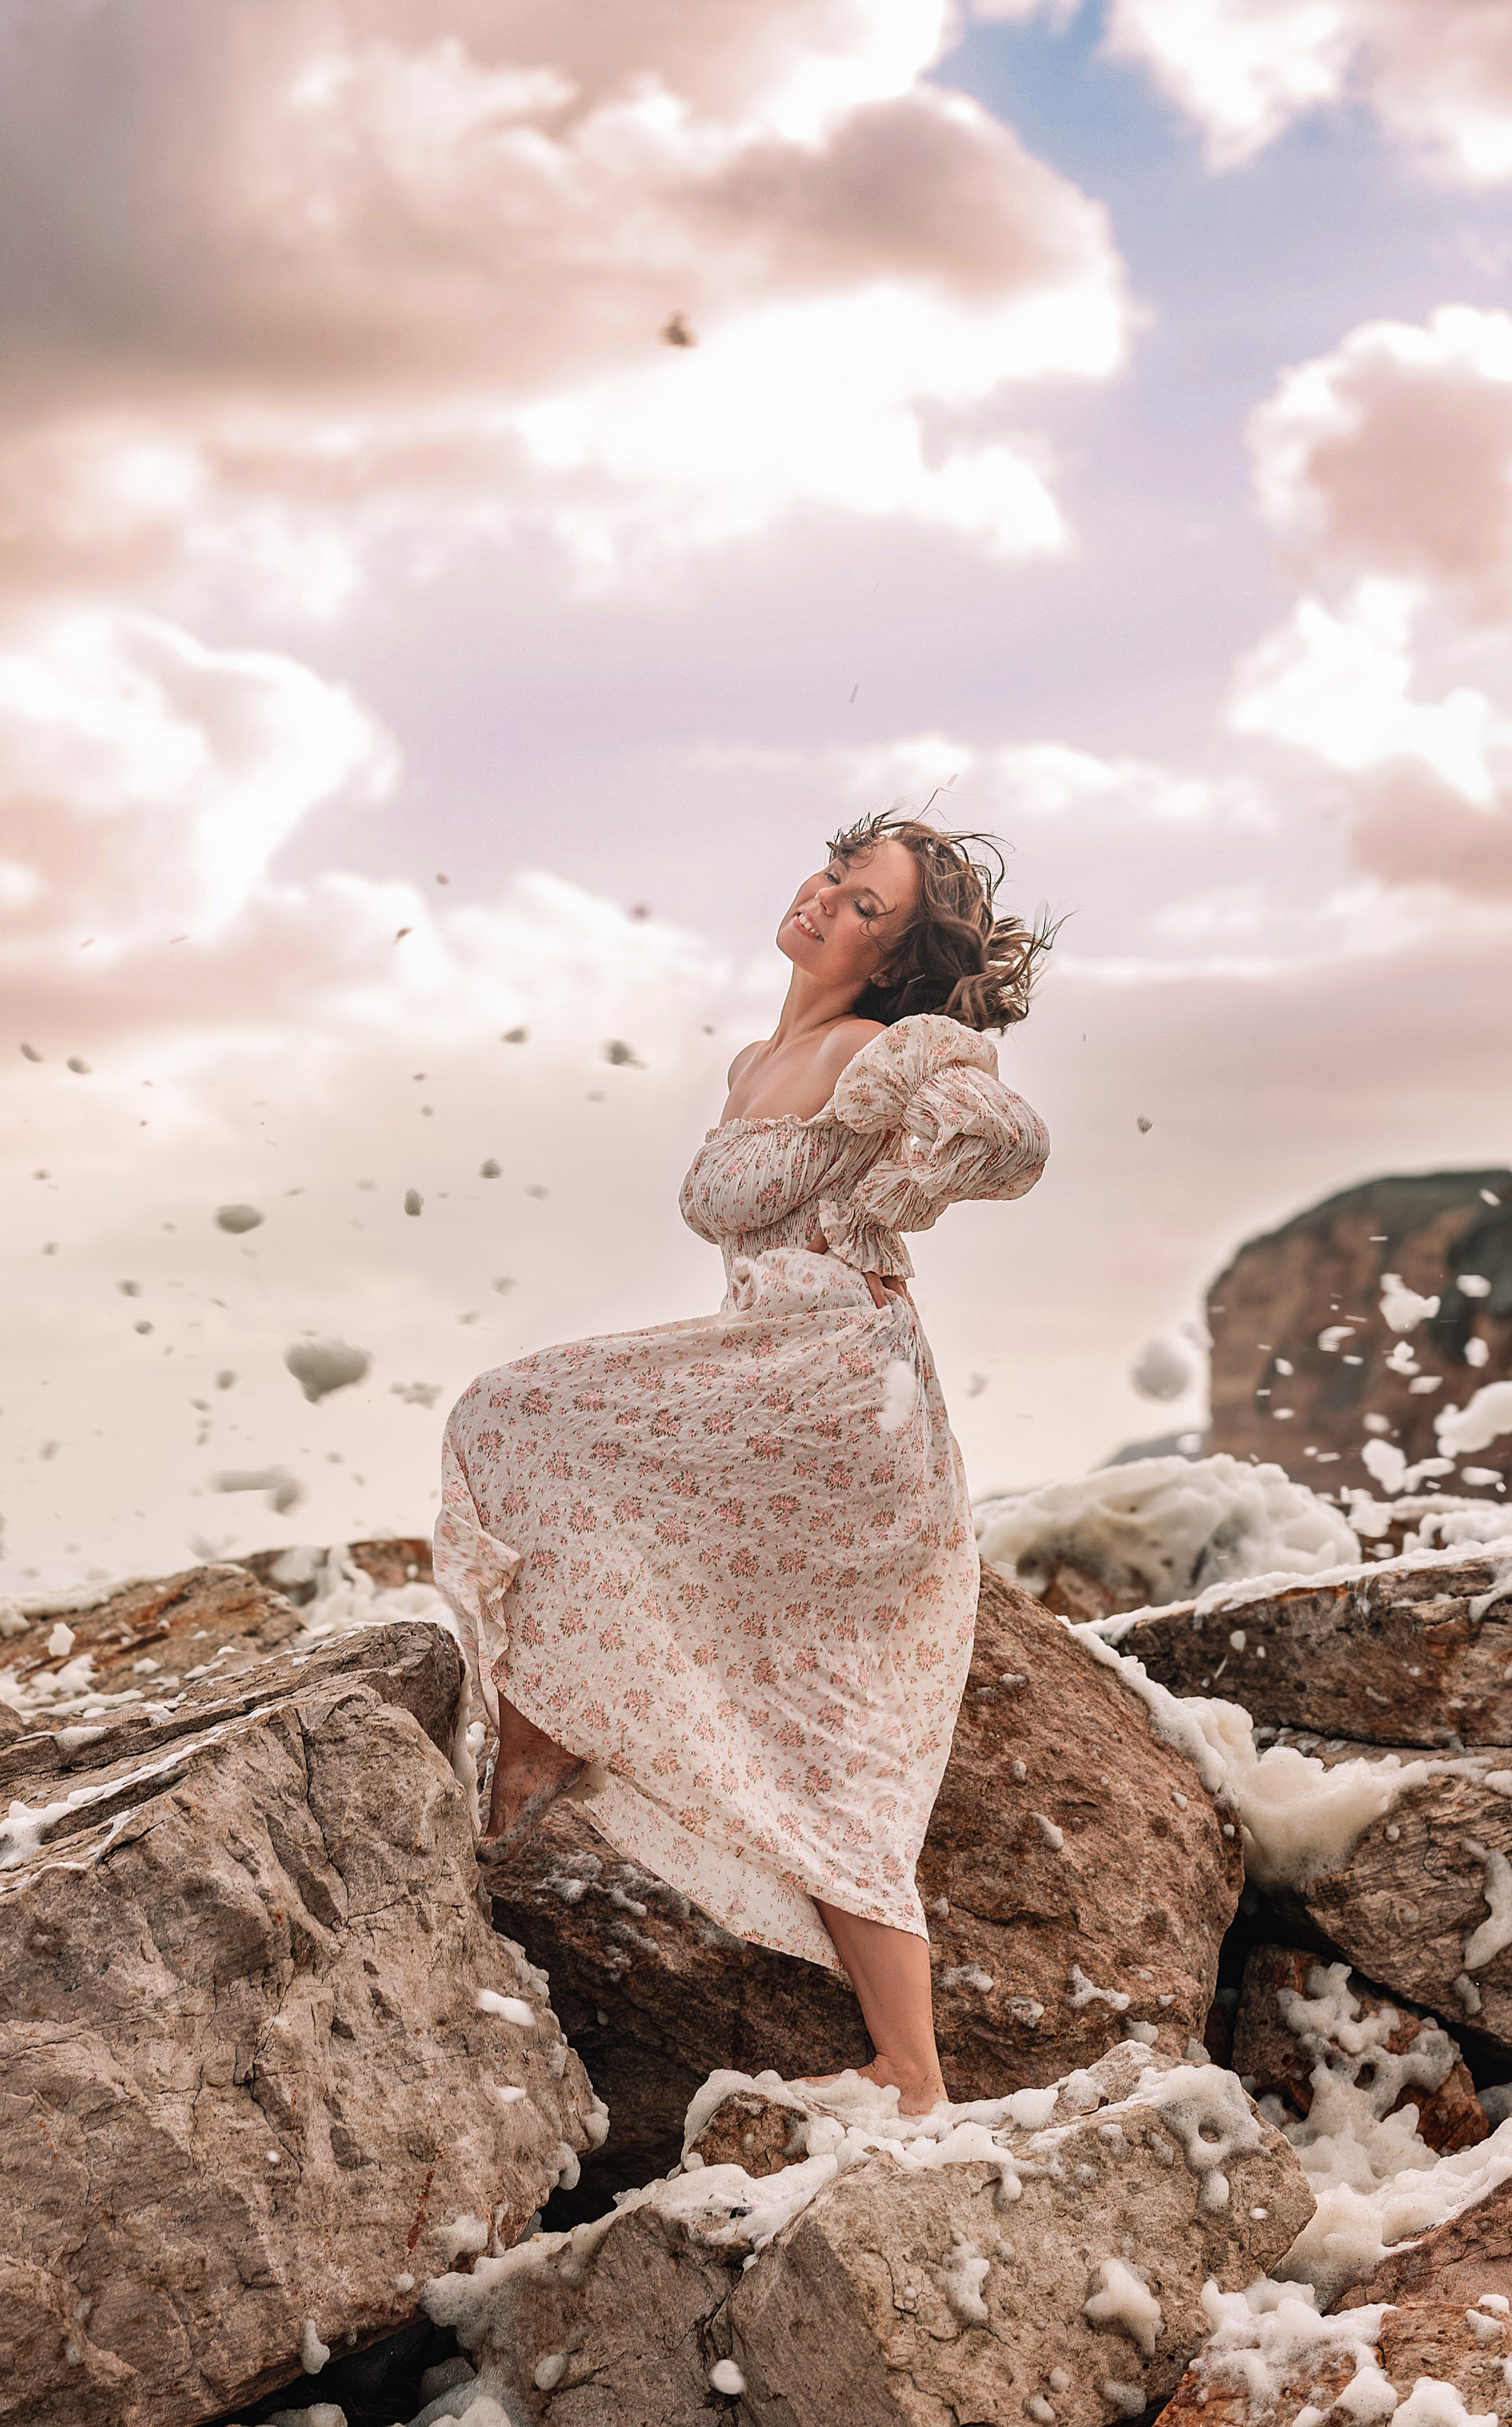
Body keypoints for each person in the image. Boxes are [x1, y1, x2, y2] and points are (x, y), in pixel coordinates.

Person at [434, 811, 1051, 2115]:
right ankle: (911, 2072)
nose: (827, 901)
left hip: (839, 1384)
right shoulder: (755, 1059)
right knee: (811, 1714)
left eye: (866, 905)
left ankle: (531, 1763)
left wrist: (925, 1166)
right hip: (770, 1367)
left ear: (892, 959)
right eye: (835, 874)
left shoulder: (887, 1046)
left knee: (512, 1417)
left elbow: (1004, 1135)